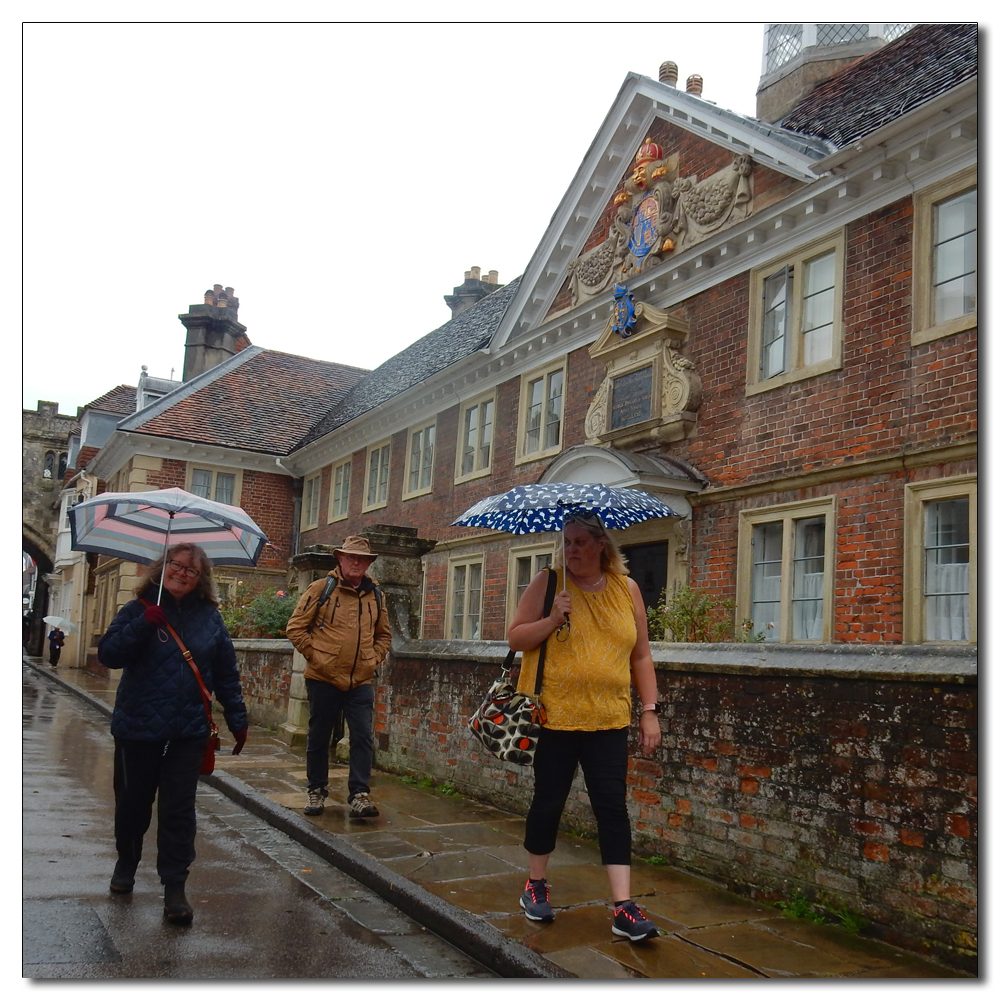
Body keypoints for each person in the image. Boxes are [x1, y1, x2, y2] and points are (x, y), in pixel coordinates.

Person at [507, 512, 663, 942]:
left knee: (612, 808)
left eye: (579, 542)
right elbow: (516, 639)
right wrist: (553, 619)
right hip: (555, 717)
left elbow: (641, 656)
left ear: (601, 545)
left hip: (610, 719)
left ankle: (623, 907)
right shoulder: (548, 583)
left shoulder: (626, 589)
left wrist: (649, 709)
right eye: (567, 541)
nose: (571, 550)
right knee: (549, 801)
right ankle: (535, 885)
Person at [98, 543, 248, 925]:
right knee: (133, 802)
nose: (181, 573)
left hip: (188, 729)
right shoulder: (138, 609)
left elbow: (226, 673)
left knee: (178, 810)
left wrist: (237, 717)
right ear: (161, 568)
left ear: (201, 580)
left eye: (191, 570)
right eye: (175, 565)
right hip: (138, 727)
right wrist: (144, 623)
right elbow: (110, 654)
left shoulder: (210, 618)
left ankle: (175, 887)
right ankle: (127, 862)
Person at [286, 535, 392, 819]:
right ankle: (317, 791)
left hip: (360, 680)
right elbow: (295, 628)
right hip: (323, 678)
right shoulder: (322, 588)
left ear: (368, 563)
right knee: (319, 737)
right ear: (340, 559)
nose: (356, 562)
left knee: (362, 736)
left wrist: (373, 659)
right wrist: (319, 658)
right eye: (351, 557)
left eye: (362, 559)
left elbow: (384, 634)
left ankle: (359, 794)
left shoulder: (376, 594)